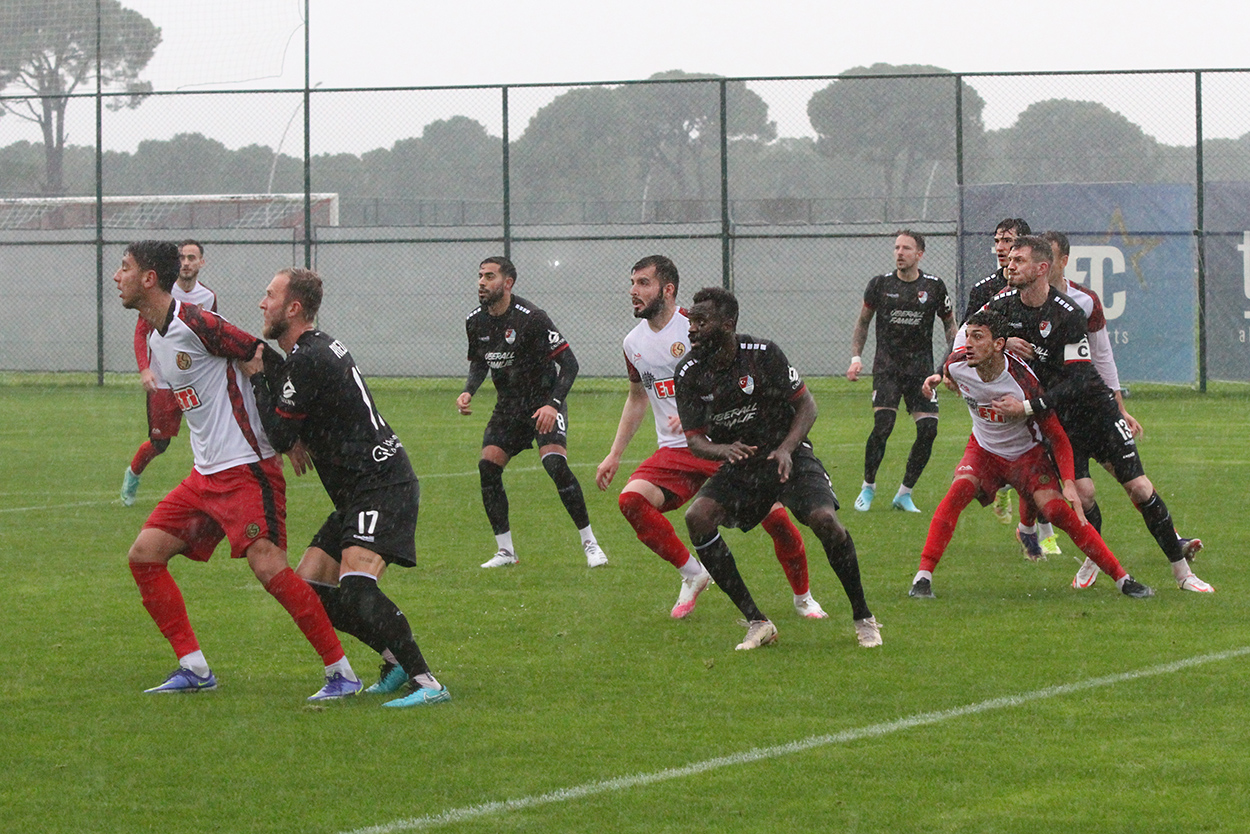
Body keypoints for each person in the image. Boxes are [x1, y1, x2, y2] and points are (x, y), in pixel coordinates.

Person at [115, 240, 359, 700]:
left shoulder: (197, 323)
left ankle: (342, 672)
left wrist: (288, 431)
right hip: (204, 476)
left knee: (271, 571)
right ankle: (194, 668)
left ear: (149, 278)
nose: (116, 276)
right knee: (144, 555)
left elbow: (262, 354)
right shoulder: (153, 336)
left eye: (124, 268)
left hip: (247, 469)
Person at [242, 267, 449, 708]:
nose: (262, 303)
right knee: (305, 586)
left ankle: (428, 683)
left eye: (270, 296)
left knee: (356, 587)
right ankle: (394, 660)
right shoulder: (312, 350)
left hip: (382, 484)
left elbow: (278, 434)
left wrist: (258, 376)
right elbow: (295, 405)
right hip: (360, 491)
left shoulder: (308, 357)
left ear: (293, 308)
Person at [595, 256, 827, 620]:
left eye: (643, 283)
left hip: (727, 445)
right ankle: (693, 574)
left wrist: (700, 417)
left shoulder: (700, 328)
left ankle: (803, 597)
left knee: (778, 522)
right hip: (677, 450)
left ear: (667, 290)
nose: (633, 291)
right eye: (633, 283)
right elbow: (637, 397)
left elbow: (736, 377)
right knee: (631, 501)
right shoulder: (632, 343)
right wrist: (614, 453)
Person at [980, 236, 1212, 593]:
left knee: (1138, 487)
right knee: (1083, 496)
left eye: (1019, 260)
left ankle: (1183, 574)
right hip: (1061, 420)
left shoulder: (1068, 312)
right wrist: (1002, 340)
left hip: (1094, 409)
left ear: (1042, 269)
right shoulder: (1001, 303)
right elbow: (972, 333)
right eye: (1009, 259)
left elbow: (1080, 379)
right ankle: (1094, 558)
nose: (1010, 265)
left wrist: (1028, 407)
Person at [676, 287, 881, 651]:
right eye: (691, 321)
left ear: (728, 324)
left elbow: (807, 406)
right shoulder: (689, 371)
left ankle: (863, 617)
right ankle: (757, 621)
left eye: (701, 321)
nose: (691, 329)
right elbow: (694, 441)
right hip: (742, 462)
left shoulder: (762, 354)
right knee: (698, 517)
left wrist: (787, 448)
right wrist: (724, 450)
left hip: (788, 453)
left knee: (824, 521)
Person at [909, 309, 1153, 599]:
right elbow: (948, 371)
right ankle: (922, 578)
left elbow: (1057, 436)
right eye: (967, 336)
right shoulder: (960, 364)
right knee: (957, 492)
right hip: (984, 450)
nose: (968, 344)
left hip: (1026, 455)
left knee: (1057, 511)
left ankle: (1123, 579)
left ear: (999, 344)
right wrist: (936, 378)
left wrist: (1070, 484)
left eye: (977, 336)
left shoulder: (1023, 381)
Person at [457, 256, 607, 568]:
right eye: (480, 276)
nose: (481, 282)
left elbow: (570, 364)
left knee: (555, 465)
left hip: (542, 403)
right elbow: (480, 360)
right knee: (488, 466)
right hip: (508, 409)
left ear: (507, 283)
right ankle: (505, 551)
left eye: (489, 276)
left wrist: (553, 405)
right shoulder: (475, 320)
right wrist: (469, 390)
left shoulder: (532, 318)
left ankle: (591, 544)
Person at [846, 230, 956, 513]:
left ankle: (904, 494)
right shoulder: (880, 285)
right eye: (896, 247)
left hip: (921, 371)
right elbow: (862, 323)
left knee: (928, 430)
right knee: (883, 426)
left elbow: (950, 326)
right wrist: (856, 357)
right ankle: (868, 487)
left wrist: (949, 363)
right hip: (887, 369)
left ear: (919, 254)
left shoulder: (934, 287)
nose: (899, 253)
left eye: (906, 248)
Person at [962, 219, 1045, 540]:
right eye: (997, 240)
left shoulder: (1036, 286)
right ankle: (1034, 526)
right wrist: (1003, 340)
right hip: (996, 386)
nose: (1000, 248)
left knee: (1040, 451)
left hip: (1032, 382)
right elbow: (968, 334)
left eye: (1008, 241)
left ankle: (1035, 525)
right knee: (1012, 449)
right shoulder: (984, 290)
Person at [121, 240, 217, 506]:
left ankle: (208, 489)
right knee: (159, 443)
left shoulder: (208, 297)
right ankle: (133, 475)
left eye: (191, 257)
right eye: (182, 258)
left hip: (196, 383)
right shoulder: (162, 293)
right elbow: (141, 333)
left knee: (209, 434)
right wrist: (145, 370)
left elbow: (213, 337)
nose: (186, 262)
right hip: (163, 383)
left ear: (201, 263)